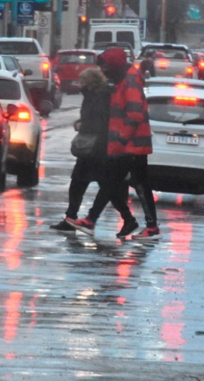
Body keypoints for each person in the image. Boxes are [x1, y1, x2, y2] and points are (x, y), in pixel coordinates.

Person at [70, 47, 160, 240]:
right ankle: (142, 225)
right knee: (119, 182)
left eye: (106, 67)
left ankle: (94, 220)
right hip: (128, 144)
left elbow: (134, 114)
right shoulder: (123, 79)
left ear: (114, 66)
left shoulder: (129, 80)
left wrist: (120, 139)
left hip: (131, 145)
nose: (104, 71)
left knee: (124, 183)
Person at [50, 67, 138, 238]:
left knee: (104, 185)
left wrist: (83, 126)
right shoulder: (89, 96)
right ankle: (71, 217)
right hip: (90, 148)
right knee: (80, 182)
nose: (79, 83)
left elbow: (101, 122)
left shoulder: (103, 96)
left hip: (100, 148)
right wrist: (80, 123)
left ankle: (123, 219)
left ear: (91, 82)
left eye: (82, 81)